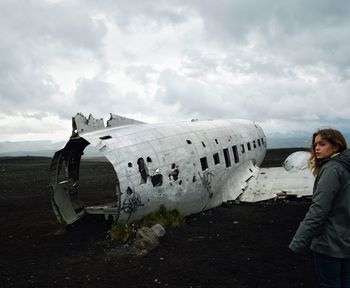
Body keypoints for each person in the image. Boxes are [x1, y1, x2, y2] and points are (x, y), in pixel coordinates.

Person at [289, 128, 350, 287]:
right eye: (315, 144)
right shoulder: (346, 166)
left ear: (335, 147)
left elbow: (319, 210)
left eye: (322, 144)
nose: (316, 148)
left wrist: (298, 242)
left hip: (329, 243)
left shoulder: (331, 169)